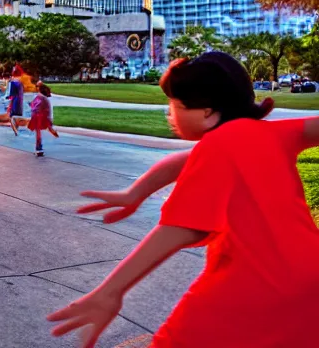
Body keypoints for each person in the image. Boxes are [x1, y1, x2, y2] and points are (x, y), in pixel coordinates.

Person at [48, 52, 319, 348]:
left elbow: (182, 228)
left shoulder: (217, 146)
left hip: (253, 286)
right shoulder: (270, 134)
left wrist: (110, 291)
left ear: (207, 111)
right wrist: (135, 193)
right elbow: (182, 160)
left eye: (174, 104)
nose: (169, 114)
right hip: (310, 282)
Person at [27, 82, 59, 157]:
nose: (36, 87)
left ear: (39, 88)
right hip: (43, 116)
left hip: (38, 116)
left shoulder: (39, 97)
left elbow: (35, 106)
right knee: (48, 128)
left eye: (37, 86)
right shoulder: (45, 98)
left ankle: (39, 148)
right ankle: (55, 136)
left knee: (38, 132)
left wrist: (30, 105)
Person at [6, 65, 25, 136]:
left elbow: (12, 95)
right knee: (16, 117)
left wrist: (9, 106)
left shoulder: (13, 82)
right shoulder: (20, 82)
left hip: (15, 101)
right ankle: (17, 130)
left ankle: (16, 132)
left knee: (11, 117)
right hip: (20, 101)